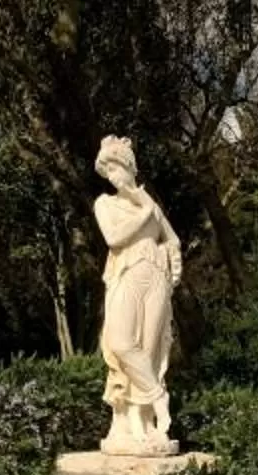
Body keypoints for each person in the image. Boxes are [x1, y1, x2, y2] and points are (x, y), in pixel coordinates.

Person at [91, 135, 182, 455]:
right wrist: (146, 211)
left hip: (155, 275)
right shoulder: (107, 203)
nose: (113, 177)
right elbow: (114, 238)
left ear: (129, 167)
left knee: (148, 348)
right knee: (120, 342)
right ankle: (158, 397)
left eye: (116, 169)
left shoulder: (150, 205)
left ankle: (138, 423)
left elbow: (173, 240)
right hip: (126, 272)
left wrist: (173, 271)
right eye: (108, 172)